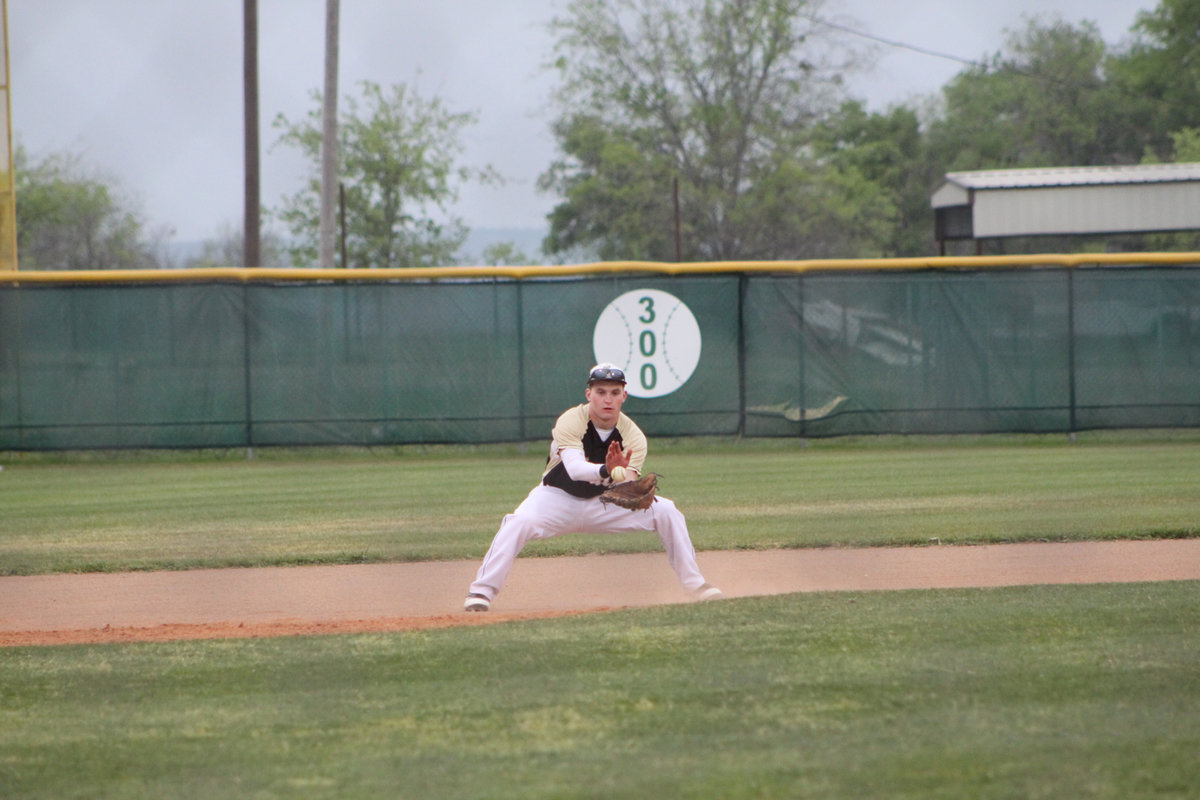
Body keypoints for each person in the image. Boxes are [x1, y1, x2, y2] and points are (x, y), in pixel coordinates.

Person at [464, 363, 722, 611]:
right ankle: (481, 593)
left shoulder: (633, 436)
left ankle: (695, 585)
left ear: (624, 396)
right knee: (517, 522)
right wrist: (607, 470)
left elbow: (628, 483)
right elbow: (576, 470)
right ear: (589, 394)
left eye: (614, 392)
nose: (607, 399)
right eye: (600, 392)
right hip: (556, 498)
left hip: (604, 503)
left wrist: (627, 481)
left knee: (667, 511)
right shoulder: (571, 421)